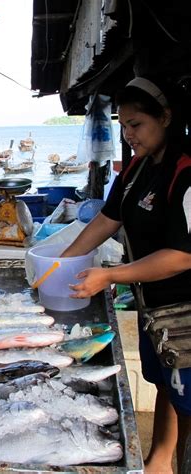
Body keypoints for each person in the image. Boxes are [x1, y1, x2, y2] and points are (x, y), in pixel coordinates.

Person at [62, 77, 191, 473]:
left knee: (188, 398)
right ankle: (159, 459)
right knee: (165, 387)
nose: (128, 134)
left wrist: (111, 275)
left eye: (136, 125)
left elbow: (183, 256)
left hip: (184, 313)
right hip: (153, 309)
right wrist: (61, 262)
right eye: (123, 126)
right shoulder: (136, 168)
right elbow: (107, 218)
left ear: (166, 117)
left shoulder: (185, 170)